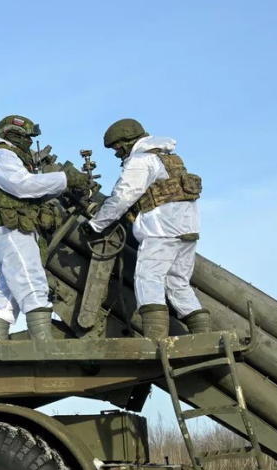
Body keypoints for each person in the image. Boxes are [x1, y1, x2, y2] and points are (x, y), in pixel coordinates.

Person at [84, 119, 211, 339]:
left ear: (126, 141)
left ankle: (155, 341)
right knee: (178, 283)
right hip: (188, 229)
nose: (116, 153)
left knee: (148, 279)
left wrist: (96, 225)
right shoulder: (169, 158)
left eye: (116, 147)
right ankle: (204, 337)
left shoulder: (141, 161)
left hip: (161, 229)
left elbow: (123, 197)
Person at [0, 115, 88, 340]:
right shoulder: (2, 156)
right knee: (32, 280)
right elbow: (24, 185)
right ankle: (44, 344)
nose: (30, 141)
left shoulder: (6, 156)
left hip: (13, 228)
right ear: (13, 134)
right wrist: (65, 179)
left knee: (8, 285)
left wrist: (62, 187)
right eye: (27, 136)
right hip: (12, 229)